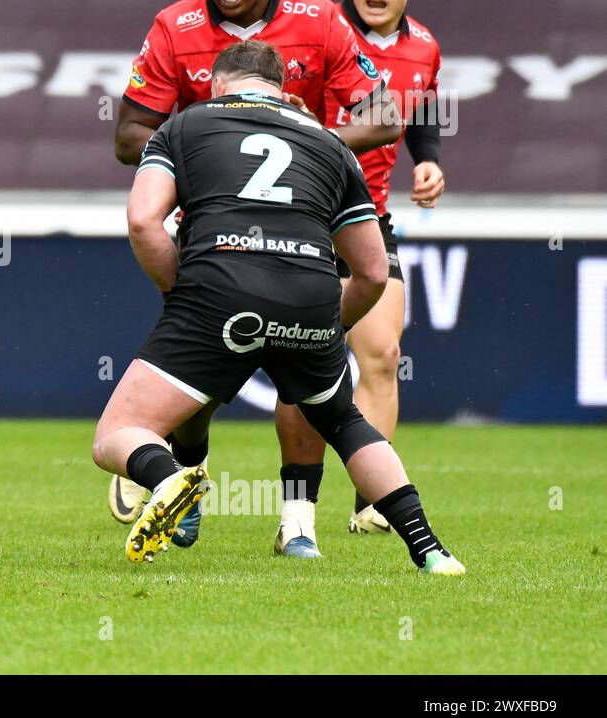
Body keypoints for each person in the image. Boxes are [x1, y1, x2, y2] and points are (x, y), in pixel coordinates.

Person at [94, 40, 463, 575]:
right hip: (312, 292)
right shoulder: (330, 144)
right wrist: (325, 327)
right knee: (344, 421)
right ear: (283, 91)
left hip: (216, 292)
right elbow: (374, 270)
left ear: (219, 84)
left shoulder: (185, 125)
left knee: (116, 434)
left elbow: (142, 221)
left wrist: (184, 294)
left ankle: (168, 476)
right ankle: (430, 549)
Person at [107, 0, 402, 556]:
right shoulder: (174, 27)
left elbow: (384, 116)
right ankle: (188, 473)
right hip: (212, 233)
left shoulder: (321, 18)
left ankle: (297, 523)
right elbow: (127, 134)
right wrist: (202, 142)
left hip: (306, 225)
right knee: (198, 383)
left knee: (306, 376)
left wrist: (299, 140)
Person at [274, 0, 447, 546]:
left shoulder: (425, 46)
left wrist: (426, 161)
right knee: (299, 363)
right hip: (301, 214)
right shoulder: (321, 32)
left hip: (367, 216)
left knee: (382, 355)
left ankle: (373, 501)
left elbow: (422, 111)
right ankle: (180, 463)